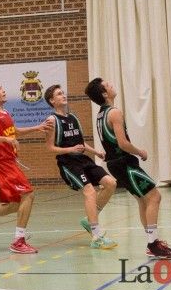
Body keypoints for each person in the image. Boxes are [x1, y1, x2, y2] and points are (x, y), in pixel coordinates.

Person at [85, 78, 171, 259]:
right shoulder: (114, 113)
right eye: (108, 85)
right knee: (154, 196)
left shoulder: (100, 114)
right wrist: (140, 152)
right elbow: (123, 143)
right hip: (124, 162)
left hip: (115, 163)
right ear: (104, 93)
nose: (112, 85)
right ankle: (153, 244)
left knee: (143, 201)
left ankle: (153, 242)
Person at [0, 82, 52, 254]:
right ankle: (18, 241)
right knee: (28, 194)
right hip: (0, 161)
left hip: (8, 161)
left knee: (14, 204)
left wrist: (37, 127)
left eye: (2, 88)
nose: (3, 90)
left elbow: (14, 132)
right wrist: (6, 140)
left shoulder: (5, 112)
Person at [43, 84, 118, 249]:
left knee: (110, 183)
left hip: (83, 159)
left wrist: (96, 152)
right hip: (68, 163)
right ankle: (96, 236)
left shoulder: (73, 117)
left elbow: (80, 142)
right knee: (90, 191)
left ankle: (89, 219)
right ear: (52, 100)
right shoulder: (51, 120)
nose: (63, 95)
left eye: (63, 92)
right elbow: (49, 147)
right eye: (59, 94)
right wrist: (70, 149)